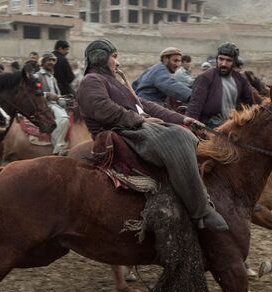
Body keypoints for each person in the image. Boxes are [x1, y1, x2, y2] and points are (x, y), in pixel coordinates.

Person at [76, 39, 228, 232]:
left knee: (187, 133)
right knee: (176, 138)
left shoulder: (114, 82)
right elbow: (103, 109)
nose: (118, 62)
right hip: (120, 134)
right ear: (100, 58)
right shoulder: (91, 81)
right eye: (114, 57)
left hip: (133, 130)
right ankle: (200, 211)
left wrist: (182, 119)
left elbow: (144, 105)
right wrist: (140, 121)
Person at [186, 42, 253, 127]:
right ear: (217, 59)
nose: (223, 64)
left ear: (234, 62)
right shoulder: (205, 78)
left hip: (231, 128)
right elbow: (195, 106)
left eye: (228, 60)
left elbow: (251, 103)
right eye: (221, 59)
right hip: (209, 128)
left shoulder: (240, 79)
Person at [36, 52, 69, 155]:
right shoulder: (36, 76)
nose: (51, 62)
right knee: (64, 119)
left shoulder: (53, 78)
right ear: (43, 62)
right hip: (44, 105)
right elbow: (34, 93)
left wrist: (65, 100)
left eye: (53, 60)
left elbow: (57, 95)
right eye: (49, 60)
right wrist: (47, 95)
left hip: (55, 104)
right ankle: (58, 148)